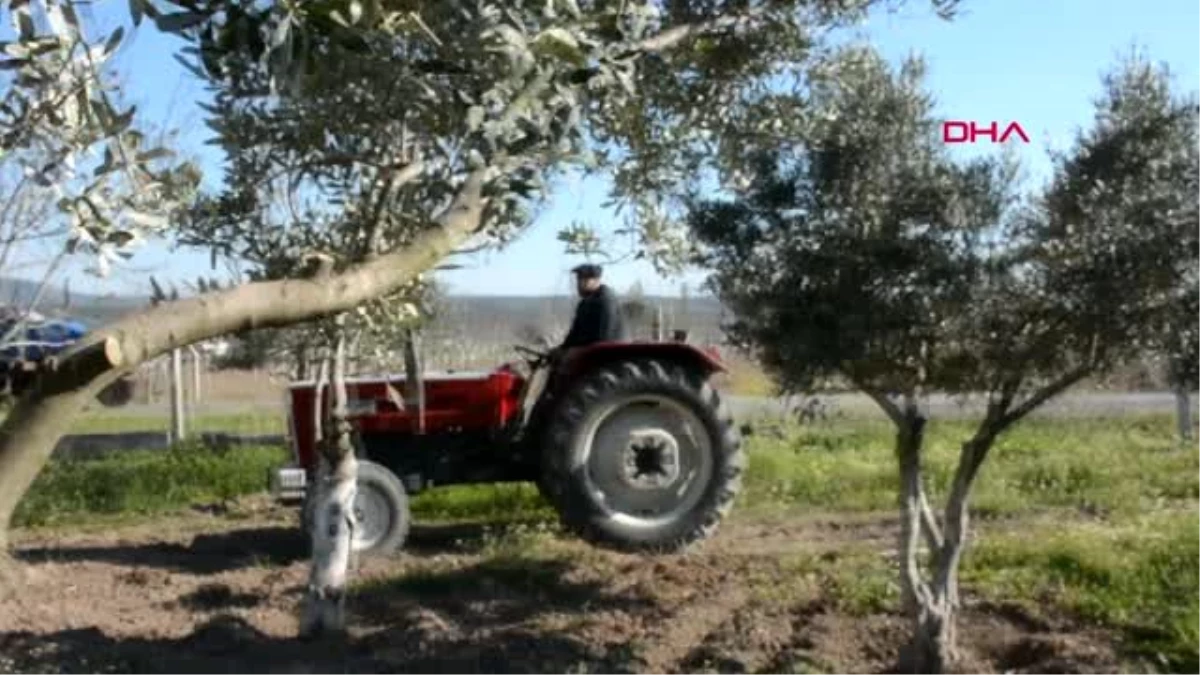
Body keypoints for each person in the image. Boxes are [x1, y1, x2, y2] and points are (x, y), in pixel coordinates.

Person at [556, 263, 625, 353]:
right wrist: (561, 349)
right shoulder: (584, 303)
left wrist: (573, 351)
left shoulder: (605, 300)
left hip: (608, 355)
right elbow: (574, 334)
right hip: (588, 352)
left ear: (596, 280)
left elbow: (603, 337)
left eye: (584, 280)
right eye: (579, 279)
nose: (579, 284)